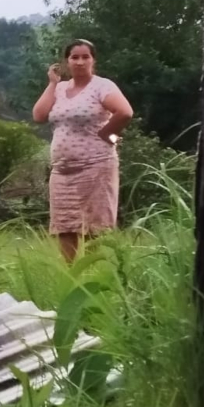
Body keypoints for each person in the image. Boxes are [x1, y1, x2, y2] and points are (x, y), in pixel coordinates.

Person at [32, 39, 134, 263]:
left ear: (93, 60)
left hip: (96, 166)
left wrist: (107, 134)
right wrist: (52, 83)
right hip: (62, 171)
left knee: (94, 227)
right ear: (66, 61)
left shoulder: (102, 86)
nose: (79, 62)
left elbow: (125, 112)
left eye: (85, 57)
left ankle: (94, 274)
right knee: (65, 226)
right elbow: (38, 116)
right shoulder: (59, 89)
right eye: (74, 57)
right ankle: (71, 278)